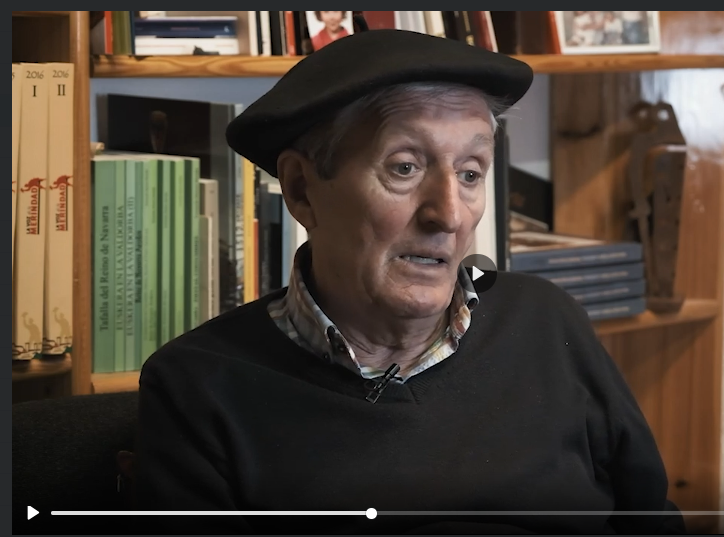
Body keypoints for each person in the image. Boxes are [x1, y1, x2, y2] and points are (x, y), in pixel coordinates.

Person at [132, 29, 686, 535]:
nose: (449, 214)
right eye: (405, 167)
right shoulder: (201, 386)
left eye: (470, 173)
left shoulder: (547, 321)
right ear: (302, 190)